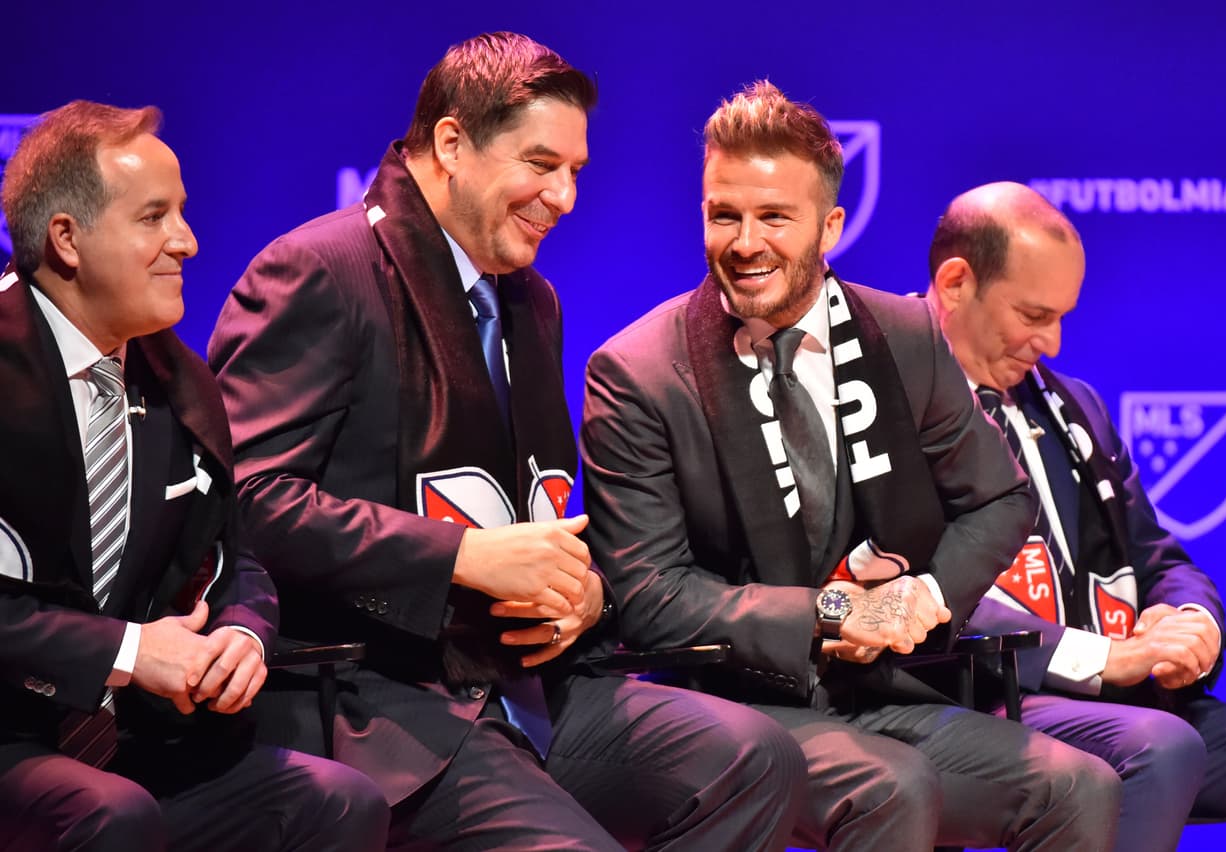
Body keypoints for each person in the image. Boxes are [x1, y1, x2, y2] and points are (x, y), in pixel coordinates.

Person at [208, 32, 805, 850]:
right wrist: (457, 558)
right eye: (540, 163)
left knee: (755, 756)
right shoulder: (319, 269)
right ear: (452, 143)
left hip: (530, 682)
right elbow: (246, 502)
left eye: (575, 172)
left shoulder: (531, 299)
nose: (563, 197)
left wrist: (583, 591)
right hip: (382, 702)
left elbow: (538, 503)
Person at [579, 81, 1120, 851]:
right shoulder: (638, 372)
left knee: (1079, 786)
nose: (744, 241)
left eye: (774, 217)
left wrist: (922, 597)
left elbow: (999, 499)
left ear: (830, 225)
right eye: (723, 214)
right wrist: (833, 614)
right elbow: (649, 595)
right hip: (738, 703)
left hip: (886, 690)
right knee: (888, 788)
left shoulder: (902, 335)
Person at [0, 101, 387, 852]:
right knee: (109, 813)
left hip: (136, 745)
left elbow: (232, 554)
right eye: (154, 217)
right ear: (67, 239)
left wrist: (244, 630)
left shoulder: (179, 376)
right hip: (10, 734)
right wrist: (129, 651)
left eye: (181, 212)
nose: (188, 240)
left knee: (341, 803)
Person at [926, 179, 1226, 851]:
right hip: (977, 698)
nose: (1053, 342)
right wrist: (1107, 657)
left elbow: (1159, 557)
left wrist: (1185, 621)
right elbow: (924, 590)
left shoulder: (1074, 406)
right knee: (1160, 748)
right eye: (1033, 315)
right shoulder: (890, 405)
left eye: (1062, 316)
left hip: (1121, 705)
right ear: (955, 283)